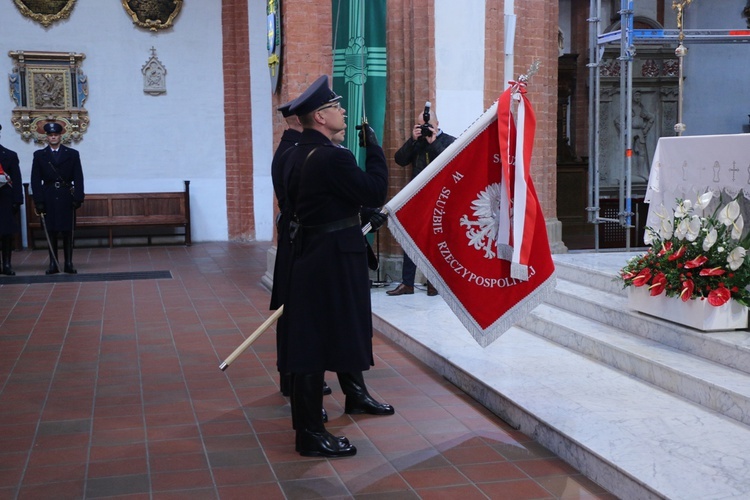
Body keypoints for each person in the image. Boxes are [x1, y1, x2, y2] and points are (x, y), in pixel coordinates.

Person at [280, 75, 393, 458]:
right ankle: (310, 434)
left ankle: (310, 427)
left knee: (308, 340)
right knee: (315, 345)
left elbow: (321, 201)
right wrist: (373, 147)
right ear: (321, 117)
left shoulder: (294, 153)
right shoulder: (332, 156)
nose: (343, 111)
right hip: (332, 260)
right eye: (336, 107)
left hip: (308, 255)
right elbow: (374, 190)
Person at [387, 106, 456, 296]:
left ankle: (434, 283)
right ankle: (407, 283)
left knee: (435, 241)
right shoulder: (416, 142)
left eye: (428, 125)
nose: (425, 129)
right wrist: (412, 140)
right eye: (420, 125)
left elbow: (452, 163)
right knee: (410, 238)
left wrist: (433, 142)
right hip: (417, 197)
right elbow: (400, 160)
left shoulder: (449, 141)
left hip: (439, 199)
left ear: (437, 124)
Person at [31, 122, 85, 274]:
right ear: (46, 137)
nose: (53, 137)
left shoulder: (72, 154)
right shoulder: (39, 155)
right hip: (48, 196)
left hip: (66, 195)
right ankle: (53, 263)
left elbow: (78, 177)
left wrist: (78, 197)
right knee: (51, 231)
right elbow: (35, 180)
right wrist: (39, 201)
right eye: (50, 135)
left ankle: (68, 262)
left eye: (55, 135)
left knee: (68, 231)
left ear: (61, 136)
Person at [0, 124, 23, 276]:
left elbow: (16, 179)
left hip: (4, 200)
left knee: (5, 234)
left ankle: (7, 264)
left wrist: (17, 200)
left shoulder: (9, 155)